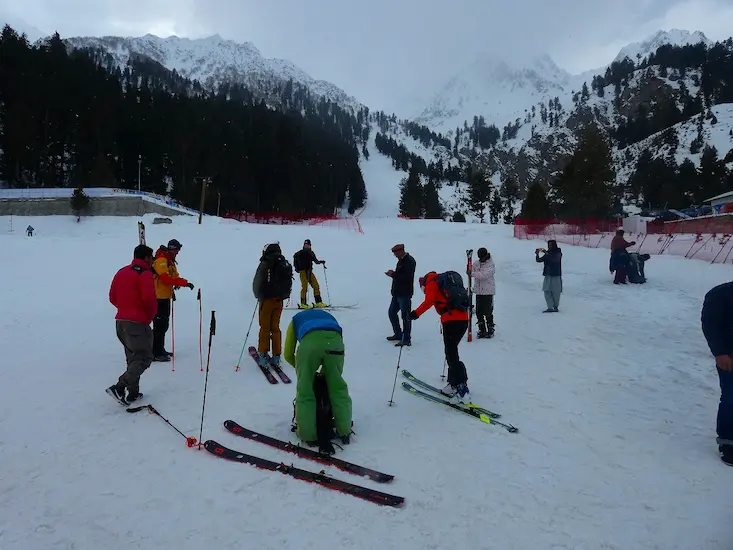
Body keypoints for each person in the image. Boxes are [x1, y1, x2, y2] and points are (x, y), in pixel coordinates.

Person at [283, 309, 352, 446]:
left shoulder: (295, 320)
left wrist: (307, 372)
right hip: (335, 343)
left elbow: (288, 354)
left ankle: (308, 434)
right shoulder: (328, 316)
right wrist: (323, 373)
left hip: (310, 345)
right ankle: (344, 430)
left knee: (305, 390)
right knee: (337, 388)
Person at [106, 245, 158, 405]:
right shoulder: (145, 274)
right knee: (144, 357)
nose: (152, 261)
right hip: (137, 322)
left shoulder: (122, 271)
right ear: (146, 258)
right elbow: (149, 299)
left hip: (121, 322)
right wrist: (148, 316)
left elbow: (112, 297)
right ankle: (120, 387)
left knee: (133, 358)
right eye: (151, 258)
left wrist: (125, 309)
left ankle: (133, 393)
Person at [409, 272, 471, 402]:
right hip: (463, 319)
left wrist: (415, 313)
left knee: (451, 353)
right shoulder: (444, 283)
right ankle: (454, 383)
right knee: (452, 352)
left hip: (451, 320)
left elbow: (429, 300)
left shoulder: (431, 283)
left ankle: (460, 387)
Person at [701, 282, 733, 466]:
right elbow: (711, 325)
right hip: (729, 356)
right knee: (731, 397)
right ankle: (728, 442)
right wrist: (720, 352)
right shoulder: (720, 294)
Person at [152, 239, 194, 361]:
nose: (177, 252)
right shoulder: (161, 260)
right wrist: (181, 283)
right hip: (158, 298)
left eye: (178, 250)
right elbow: (165, 278)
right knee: (159, 325)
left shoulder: (169, 261)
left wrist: (185, 283)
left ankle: (160, 349)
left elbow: (174, 277)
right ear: (170, 248)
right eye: (176, 250)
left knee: (164, 325)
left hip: (165, 297)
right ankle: (155, 352)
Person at [252, 242, 292, 367]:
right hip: (279, 300)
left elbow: (257, 281)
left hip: (267, 300)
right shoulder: (283, 262)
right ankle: (276, 356)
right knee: (275, 327)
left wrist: (258, 294)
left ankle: (263, 355)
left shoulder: (265, 263)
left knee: (265, 327)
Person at [385, 243, 417, 346]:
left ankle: (406, 338)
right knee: (392, 313)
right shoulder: (401, 261)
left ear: (401, 251)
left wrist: (393, 274)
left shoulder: (410, 261)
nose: (395, 255)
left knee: (406, 316)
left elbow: (406, 277)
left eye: (396, 253)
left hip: (405, 294)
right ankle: (398, 334)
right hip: (397, 293)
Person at [293, 239, 327, 308]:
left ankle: (318, 302)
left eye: (308, 245)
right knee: (304, 287)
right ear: (304, 245)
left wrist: (321, 262)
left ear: (310, 245)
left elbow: (316, 261)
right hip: (303, 272)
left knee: (316, 286)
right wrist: (297, 268)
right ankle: (303, 303)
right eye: (305, 245)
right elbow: (295, 259)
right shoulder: (299, 253)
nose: (307, 246)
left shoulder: (311, 253)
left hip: (309, 272)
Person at [470, 247, 496, 338]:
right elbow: (471, 269)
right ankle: (482, 330)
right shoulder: (477, 263)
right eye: (480, 258)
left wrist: (472, 274)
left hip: (488, 292)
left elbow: (483, 275)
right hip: (479, 292)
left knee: (488, 312)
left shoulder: (490, 265)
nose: (481, 259)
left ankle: (490, 328)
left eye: (482, 257)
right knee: (479, 312)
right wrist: (469, 270)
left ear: (486, 255)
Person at [535, 240, 562, 312]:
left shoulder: (558, 253)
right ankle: (550, 307)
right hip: (548, 274)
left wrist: (546, 253)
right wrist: (537, 254)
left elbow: (555, 260)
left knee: (556, 292)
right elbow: (539, 260)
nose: (549, 246)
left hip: (556, 275)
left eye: (550, 245)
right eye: (548, 245)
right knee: (546, 291)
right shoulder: (548, 253)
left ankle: (555, 306)